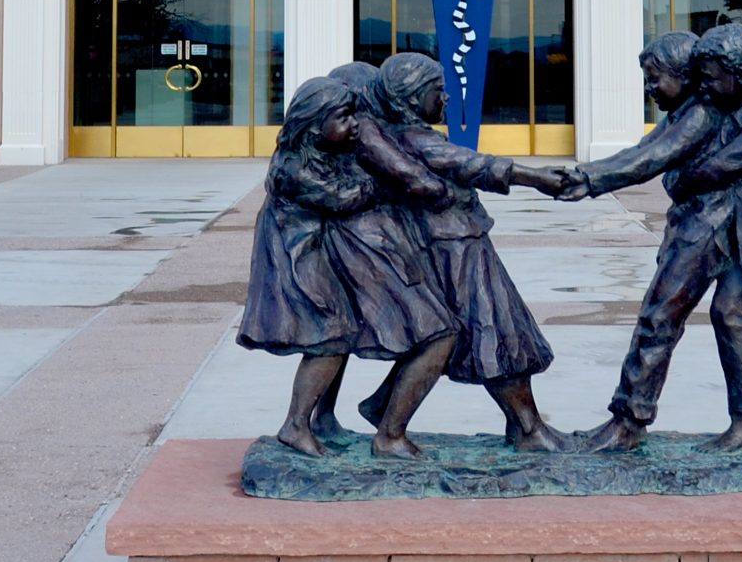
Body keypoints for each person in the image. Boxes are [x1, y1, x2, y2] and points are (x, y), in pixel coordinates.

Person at [557, 24, 742, 452]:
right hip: (736, 227)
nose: (652, 88)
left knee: (679, 314)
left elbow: (670, 162)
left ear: (735, 74)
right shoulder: (719, 100)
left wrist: (598, 179)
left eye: (657, 78)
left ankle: (635, 422)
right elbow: (652, 150)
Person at [351, 52, 571, 451]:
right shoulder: (415, 139)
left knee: (484, 332)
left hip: (455, 242)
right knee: (497, 331)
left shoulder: (402, 137)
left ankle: (389, 406)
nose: (446, 99)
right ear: (412, 98)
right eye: (438, 91)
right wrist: (534, 176)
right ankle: (527, 429)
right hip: (454, 249)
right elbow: (472, 165)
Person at [239, 75, 457, 458]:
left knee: (338, 335)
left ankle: (321, 419)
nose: (355, 125)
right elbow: (345, 197)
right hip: (299, 262)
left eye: (354, 115)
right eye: (343, 118)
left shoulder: (321, 153)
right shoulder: (293, 169)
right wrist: (390, 181)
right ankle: (296, 425)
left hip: (318, 255)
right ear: (311, 124)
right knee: (328, 339)